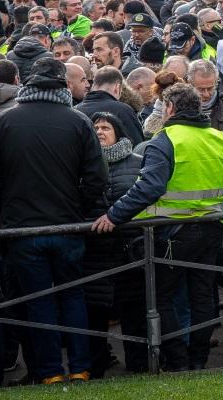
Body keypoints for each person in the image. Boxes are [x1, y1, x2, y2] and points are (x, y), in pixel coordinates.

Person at [91, 82, 223, 372]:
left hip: (174, 232)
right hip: (213, 228)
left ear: (168, 108)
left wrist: (114, 215)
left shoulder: (165, 139)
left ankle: (178, 360)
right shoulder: (219, 138)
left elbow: (150, 187)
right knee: (202, 297)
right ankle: (197, 361)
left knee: (162, 296)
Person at [0, 57, 107, 384]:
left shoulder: (5, 123)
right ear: (63, 86)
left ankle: (50, 371)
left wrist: (7, 208)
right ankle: (79, 367)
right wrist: (78, 207)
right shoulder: (77, 122)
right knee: (73, 296)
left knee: (39, 300)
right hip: (67, 225)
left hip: (23, 227)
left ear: (27, 84)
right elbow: (97, 177)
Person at [82, 112, 145, 375]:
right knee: (94, 314)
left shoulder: (139, 163)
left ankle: (140, 366)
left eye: (105, 127)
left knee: (134, 313)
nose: (99, 132)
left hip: (130, 252)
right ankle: (96, 367)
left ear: (118, 132)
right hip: (96, 254)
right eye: (95, 127)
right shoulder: (82, 164)